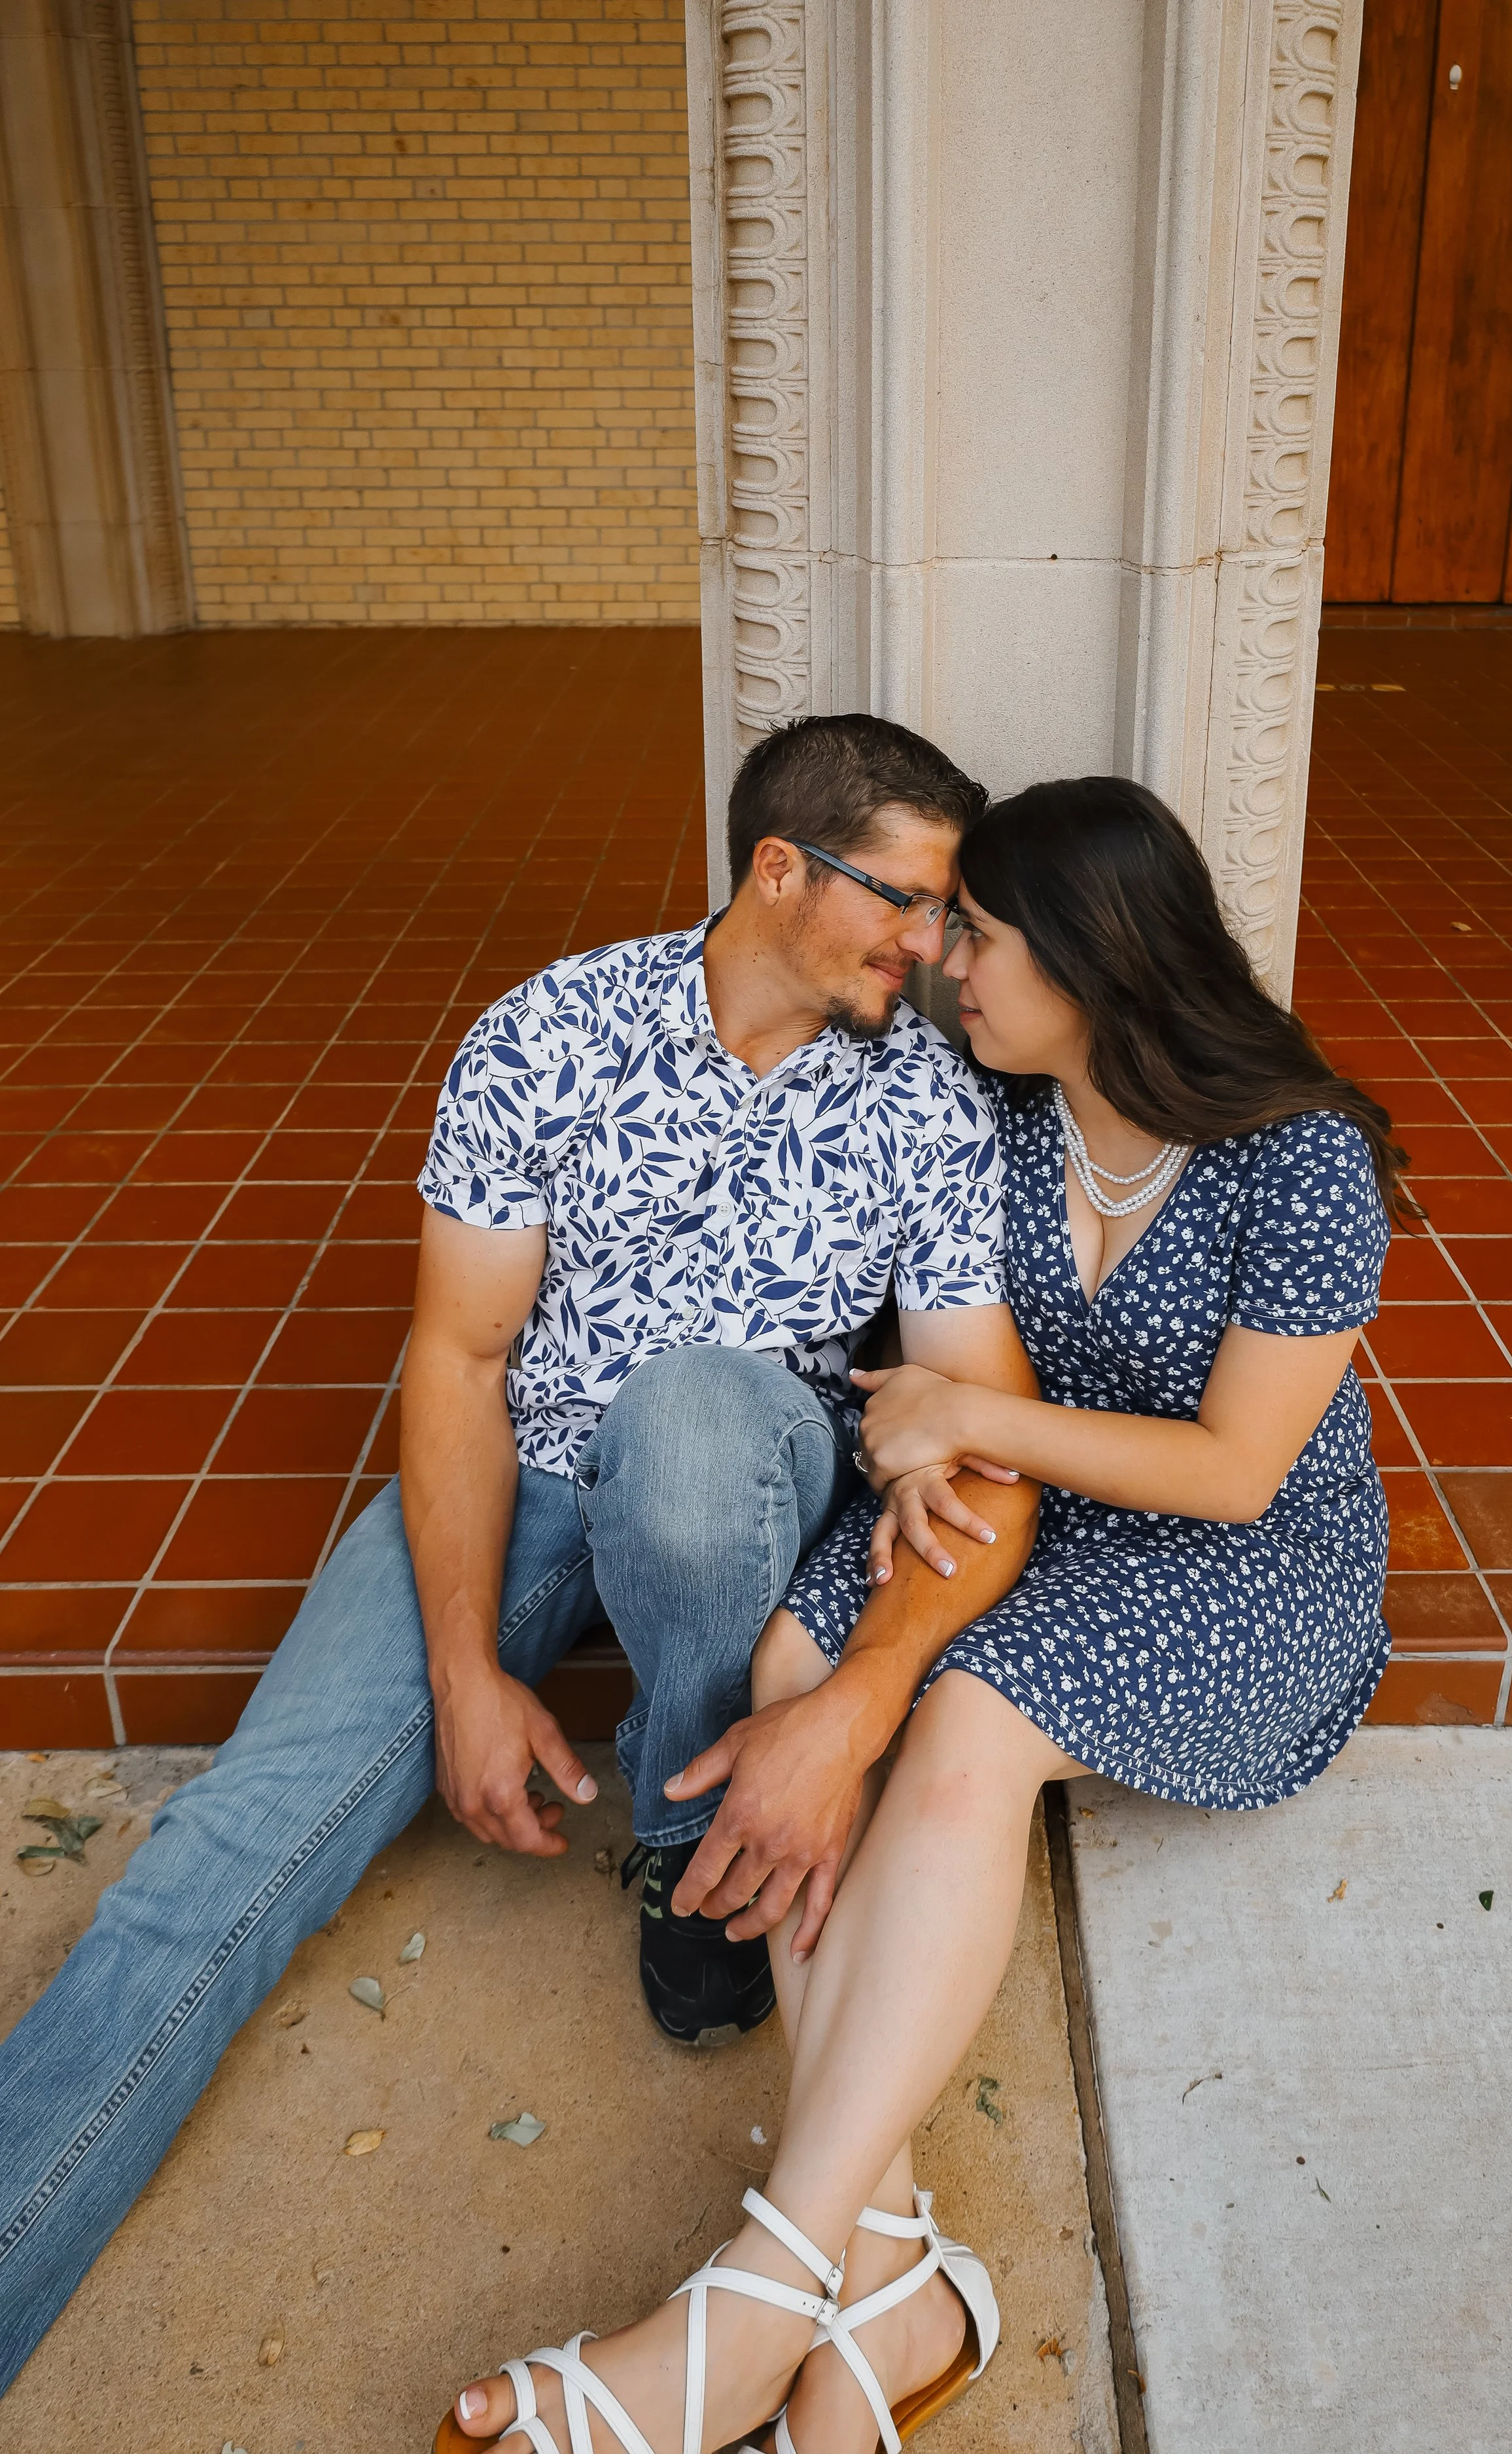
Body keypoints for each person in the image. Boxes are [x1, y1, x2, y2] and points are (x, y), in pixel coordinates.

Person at [0, 715, 1040, 2400]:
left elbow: (990, 1439)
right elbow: (461, 1359)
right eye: (904, 900)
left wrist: (856, 1702)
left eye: (944, 912)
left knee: (690, 1416)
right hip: (531, 1474)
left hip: (746, 1477)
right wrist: (463, 1668)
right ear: (780, 869)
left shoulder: (921, 1099)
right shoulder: (547, 1034)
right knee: (222, 1852)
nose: (928, 946)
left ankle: (692, 1861)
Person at [431, 776, 1415, 2454]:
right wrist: (934, 1450)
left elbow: (1238, 1470)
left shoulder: (1299, 1156)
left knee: (964, 1720)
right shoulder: (1001, 1118)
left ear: (1093, 957)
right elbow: (930, 1369)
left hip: (1246, 1563)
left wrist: (963, 1422)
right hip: (1026, 1511)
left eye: (983, 937)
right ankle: (887, 2272)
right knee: (795, 1657)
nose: (948, 965)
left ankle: (758, 2292)